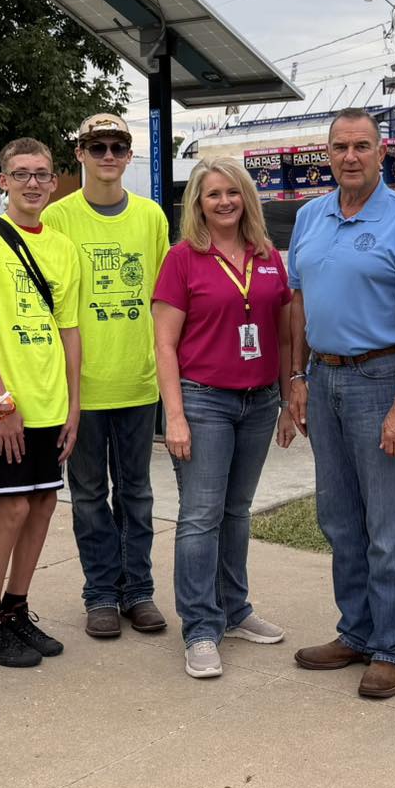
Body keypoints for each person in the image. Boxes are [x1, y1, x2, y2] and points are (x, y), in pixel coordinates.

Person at [287, 108, 395, 701]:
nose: (350, 156)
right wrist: (296, 378)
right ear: (326, 154)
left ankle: (392, 647)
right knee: (338, 518)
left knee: (386, 524)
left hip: (381, 379)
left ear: (383, 153)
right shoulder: (309, 217)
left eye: (362, 146)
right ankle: (354, 631)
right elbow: (299, 306)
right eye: (339, 147)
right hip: (323, 378)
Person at [153, 158, 296, 679]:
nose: (224, 202)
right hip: (204, 399)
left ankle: (234, 610)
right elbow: (164, 344)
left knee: (237, 511)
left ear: (247, 198)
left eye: (232, 193)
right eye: (212, 195)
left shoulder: (268, 257)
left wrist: (284, 400)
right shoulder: (183, 258)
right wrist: (175, 415)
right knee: (200, 515)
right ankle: (200, 627)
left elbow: (281, 335)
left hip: (257, 402)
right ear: (198, 203)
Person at [0, 138, 81, 668]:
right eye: (21, 173)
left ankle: (16, 609)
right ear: (2, 181)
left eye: (42, 174)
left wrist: (74, 406)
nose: (32, 183)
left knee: (45, 504)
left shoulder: (63, 247)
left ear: (53, 182)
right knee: (14, 507)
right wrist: (2, 401)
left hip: (52, 403)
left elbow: (69, 329)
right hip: (5, 406)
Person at [42, 113, 171, 640]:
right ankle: (100, 593)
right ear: (80, 153)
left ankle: (137, 591)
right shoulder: (57, 218)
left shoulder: (151, 217)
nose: (109, 156)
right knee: (90, 494)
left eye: (119, 146)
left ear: (129, 154)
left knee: (136, 493)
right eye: (99, 146)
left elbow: (165, 300)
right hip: (82, 387)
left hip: (138, 380)